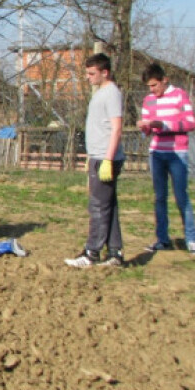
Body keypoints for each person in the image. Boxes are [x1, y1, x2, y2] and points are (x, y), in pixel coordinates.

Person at [66, 53, 125, 268]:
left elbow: (116, 127)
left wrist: (108, 159)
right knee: (109, 205)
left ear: (104, 72)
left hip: (105, 157)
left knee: (98, 206)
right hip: (98, 156)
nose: (87, 77)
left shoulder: (111, 94)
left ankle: (92, 253)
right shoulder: (102, 93)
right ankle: (115, 253)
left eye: (92, 73)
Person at [136, 63, 195, 255]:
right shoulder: (148, 100)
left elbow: (190, 123)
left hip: (177, 152)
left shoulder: (180, 95)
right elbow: (149, 129)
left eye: (155, 85)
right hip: (156, 152)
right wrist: (145, 128)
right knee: (159, 197)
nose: (152, 90)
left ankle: (191, 239)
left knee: (181, 196)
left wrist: (163, 124)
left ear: (164, 80)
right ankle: (162, 239)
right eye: (149, 86)